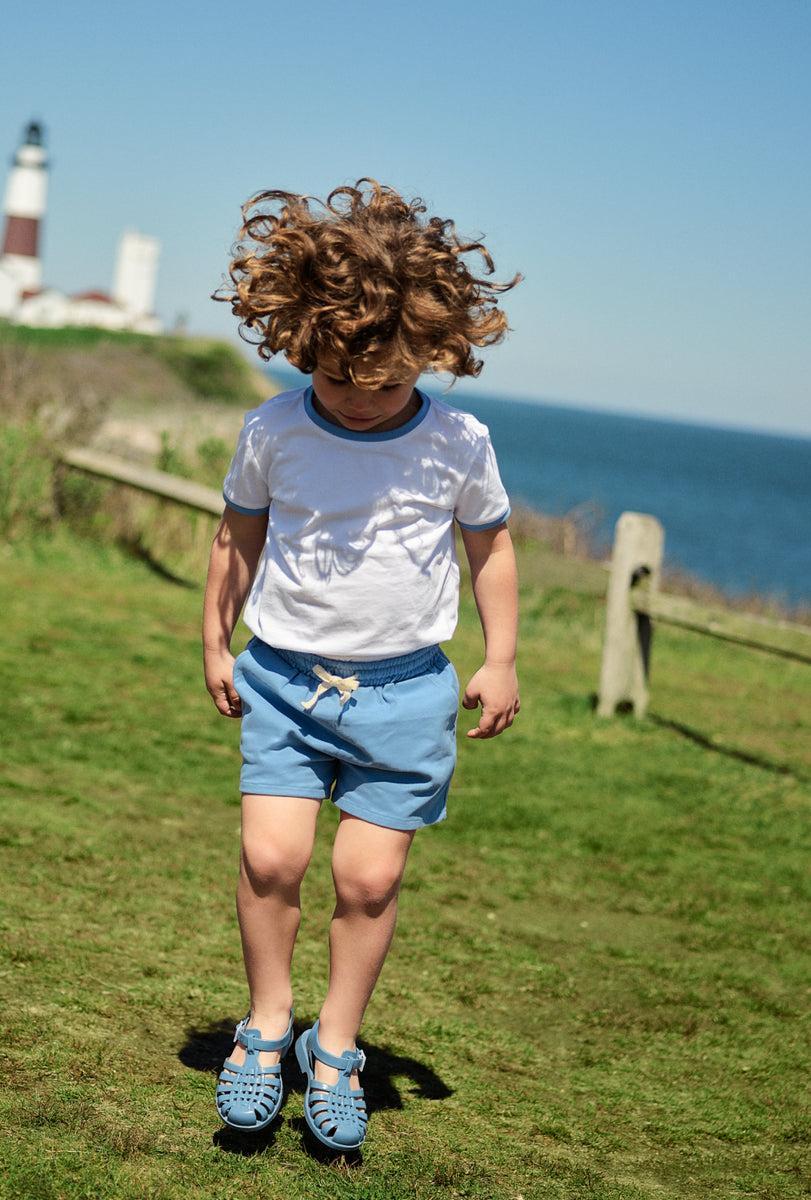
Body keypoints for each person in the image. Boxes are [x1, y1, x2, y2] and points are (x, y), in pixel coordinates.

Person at [202, 180, 521, 1152]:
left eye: (388, 381)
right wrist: (214, 636)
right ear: (306, 344)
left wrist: (500, 657)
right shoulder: (274, 431)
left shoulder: (459, 444)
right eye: (343, 379)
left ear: (431, 350)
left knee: (366, 883)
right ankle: (265, 1027)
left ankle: (332, 1046)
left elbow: (493, 550)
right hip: (287, 685)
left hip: (404, 699)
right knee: (272, 857)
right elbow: (236, 538)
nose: (365, 399)